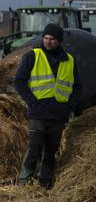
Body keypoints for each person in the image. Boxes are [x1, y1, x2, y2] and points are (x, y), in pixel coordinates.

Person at [13, 24, 81, 189]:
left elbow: (77, 87)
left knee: (51, 151)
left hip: (58, 115)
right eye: (46, 38)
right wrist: (32, 102)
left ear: (59, 41)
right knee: (34, 149)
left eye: (52, 39)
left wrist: (69, 106)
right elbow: (19, 81)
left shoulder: (69, 60)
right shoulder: (33, 56)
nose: (48, 42)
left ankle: (45, 185)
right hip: (38, 113)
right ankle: (24, 184)